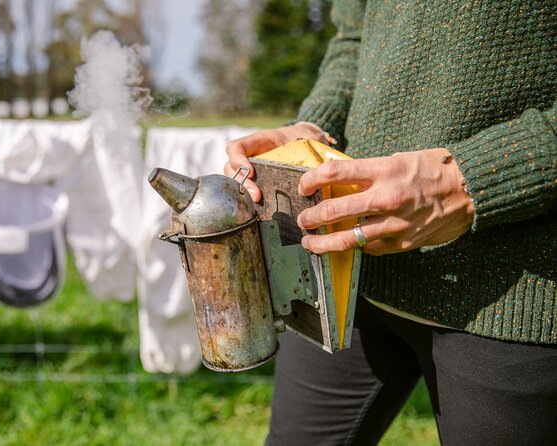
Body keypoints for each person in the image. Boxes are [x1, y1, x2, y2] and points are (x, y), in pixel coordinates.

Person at [224, 1, 557, 444]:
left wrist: (471, 178)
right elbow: (353, 37)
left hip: (513, 292)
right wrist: (316, 125)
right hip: (344, 272)